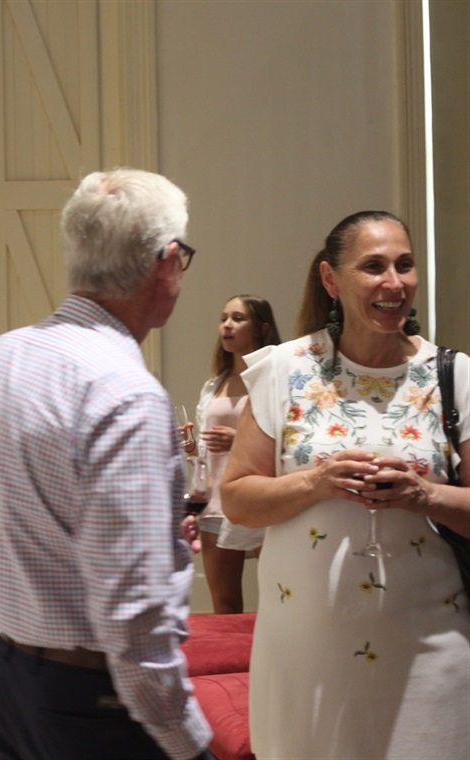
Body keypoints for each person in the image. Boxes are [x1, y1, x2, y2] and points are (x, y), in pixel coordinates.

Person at [0, 168, 212, 760]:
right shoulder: (126, 394)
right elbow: (135, 616)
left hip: (9, 674)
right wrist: (188, 742)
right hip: (95, 701)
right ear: (168, 261)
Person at [222, 210, 470, 758]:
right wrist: (317, 482)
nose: (394, 282)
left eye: (404, 265)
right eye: (373, 267)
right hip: (305, 654)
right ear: (331, 280)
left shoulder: (455, 375)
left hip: (430, 654)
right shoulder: (284, 370)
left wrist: (423, 495)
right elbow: (237, 499)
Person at [183, 295, 280, 613]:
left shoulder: (275, 380)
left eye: (238, 318)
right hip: (216, 503)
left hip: (263, 499)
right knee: (224, 606)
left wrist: (240, 440)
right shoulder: (216, 385)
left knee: (278, 600)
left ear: (262, 327)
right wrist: (190, 447)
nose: (227, 325)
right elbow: (208, 452)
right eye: (224, 317)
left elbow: (290, 443)